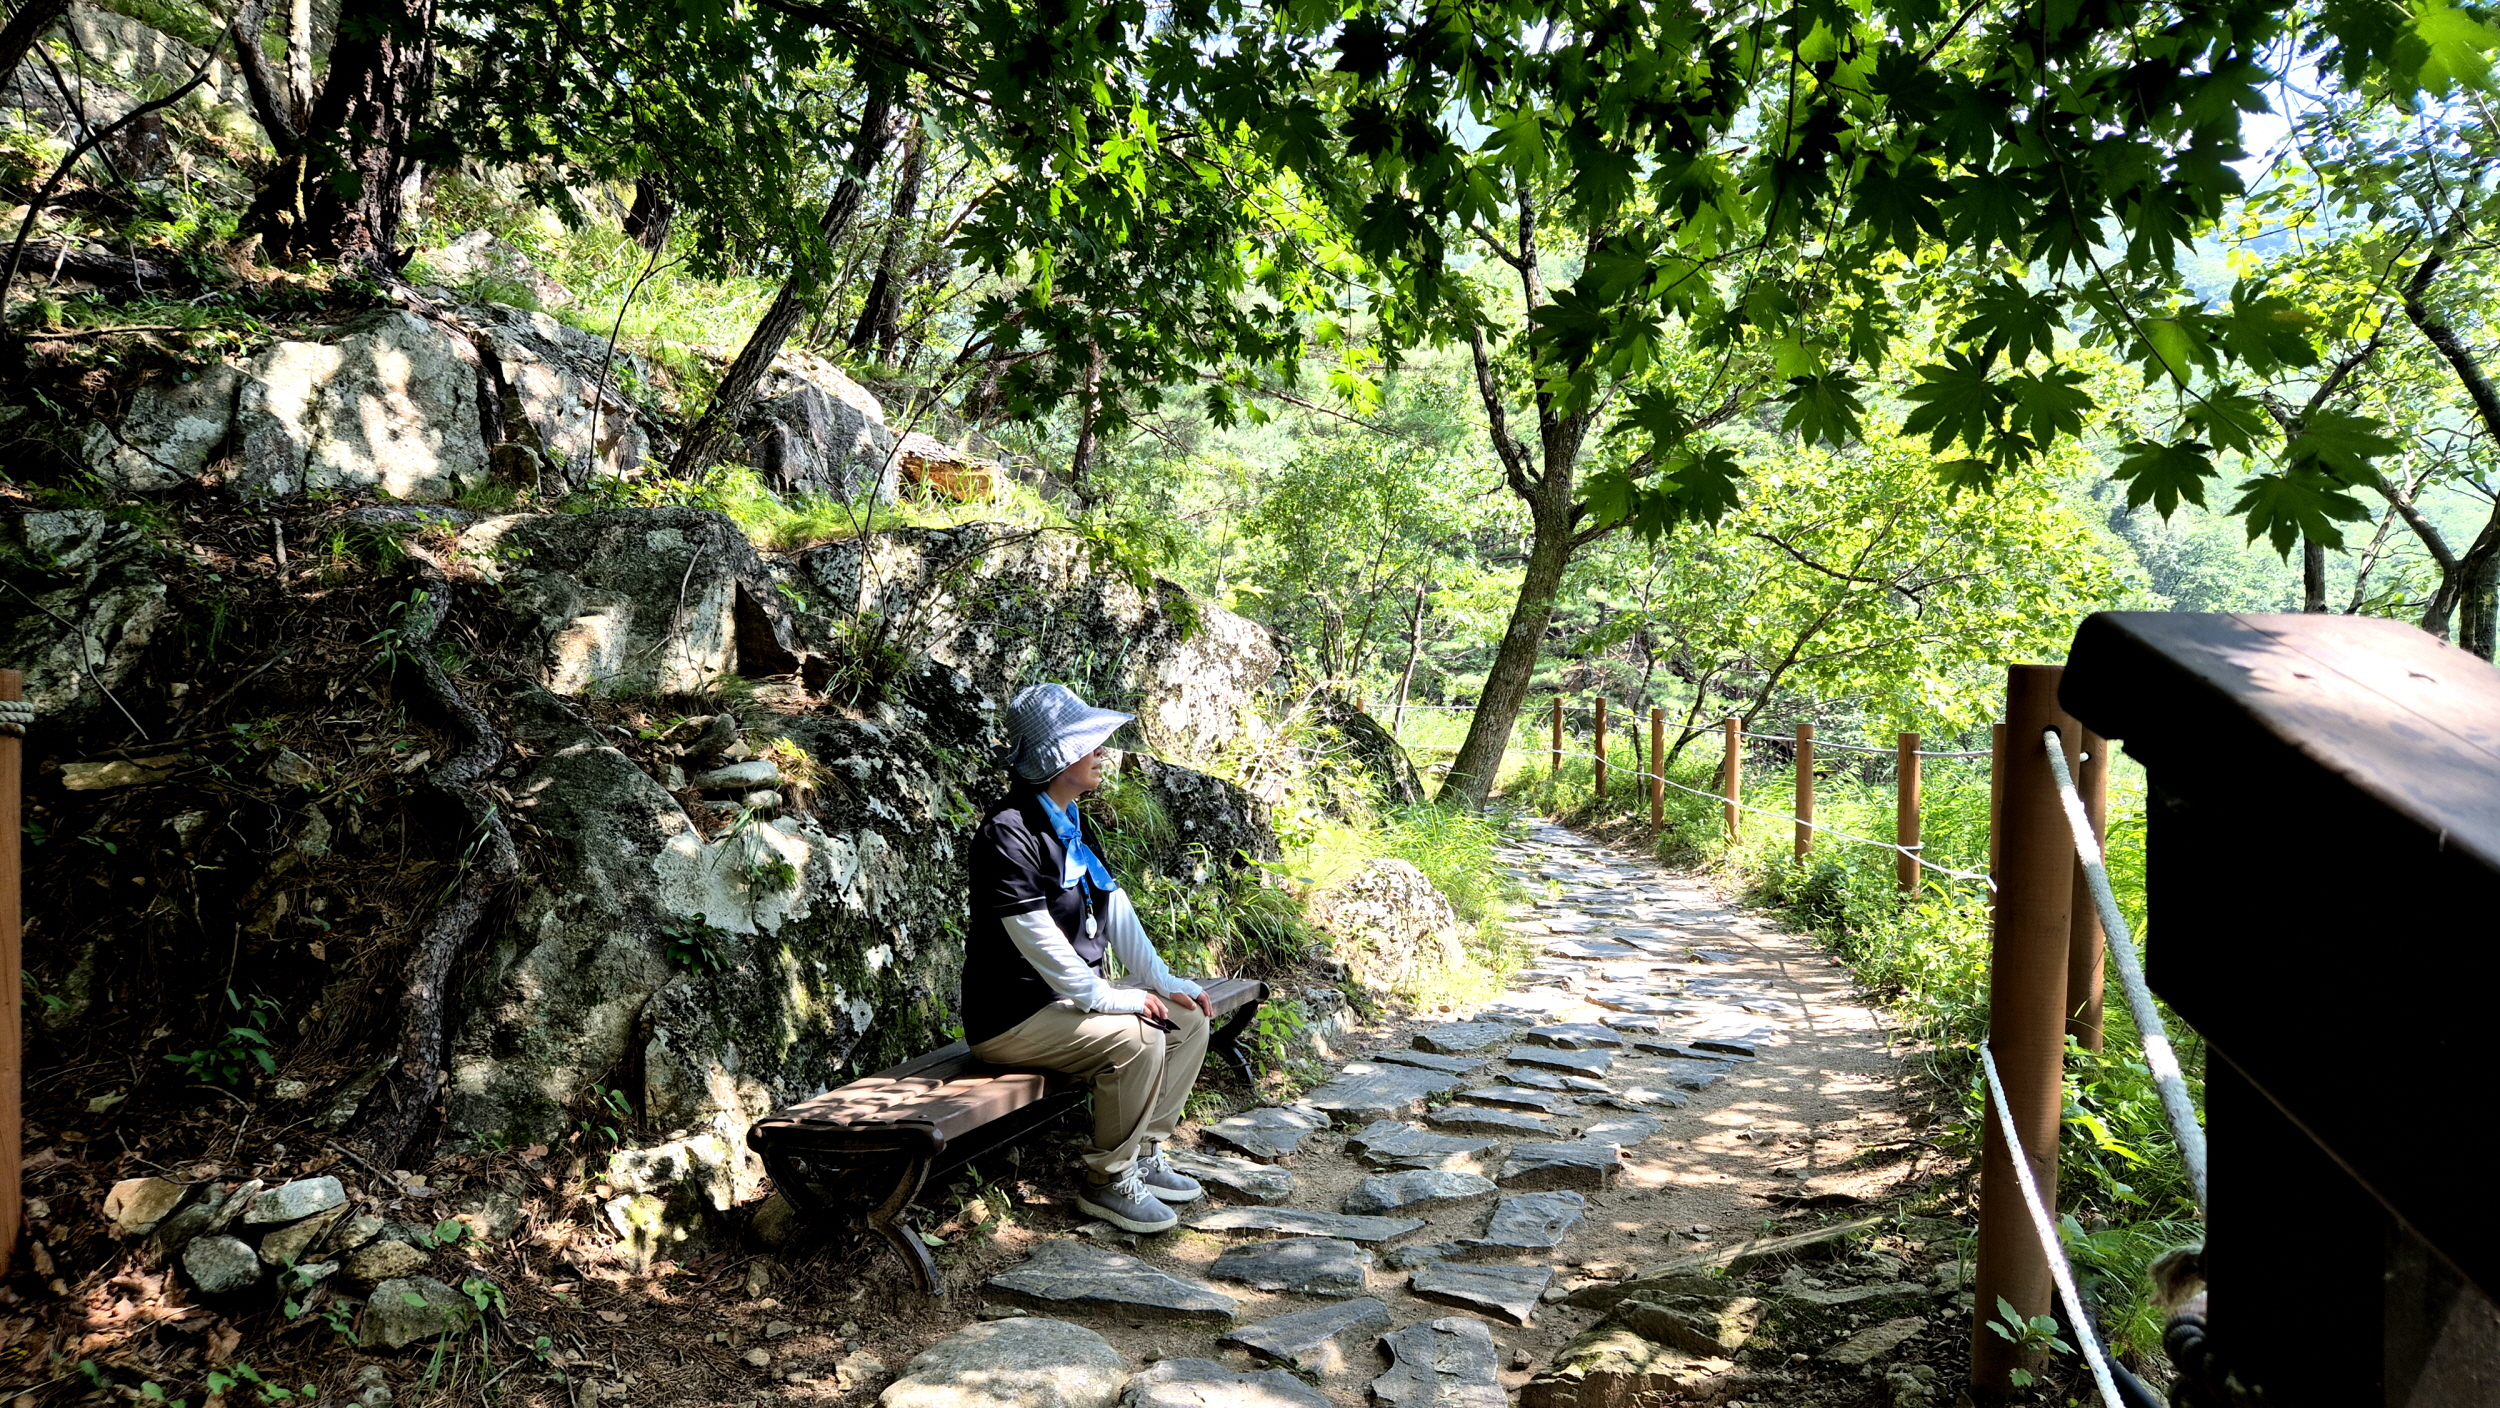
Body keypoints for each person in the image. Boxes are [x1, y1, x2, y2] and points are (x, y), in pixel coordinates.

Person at [963, 682, 1216, 1234]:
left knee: (1189, 1016)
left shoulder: (1068, 823)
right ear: (1057, 757)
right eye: (1090, 743)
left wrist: (1163, 980)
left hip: (1065, 1005)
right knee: (1138, 1035)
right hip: (1014, 1018)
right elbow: (1036, 937)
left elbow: (1116, 910)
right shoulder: (1009, 831)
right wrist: (1109, 998)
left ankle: (1145, 1152)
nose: (1102, 751)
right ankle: (1108, 1180)